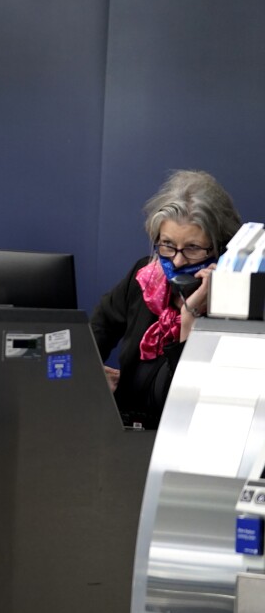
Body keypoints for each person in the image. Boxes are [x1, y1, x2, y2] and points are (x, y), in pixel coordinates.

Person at [91, 169, 242, 429]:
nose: (178, 259)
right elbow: (93, 336)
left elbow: (190, 402)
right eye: (167, 244)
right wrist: (90, 375)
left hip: (184, 441)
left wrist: (190, 316)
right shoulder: (144, 278)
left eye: (193, 248)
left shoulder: (233, 304)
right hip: (125, 434)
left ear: (221, 247)